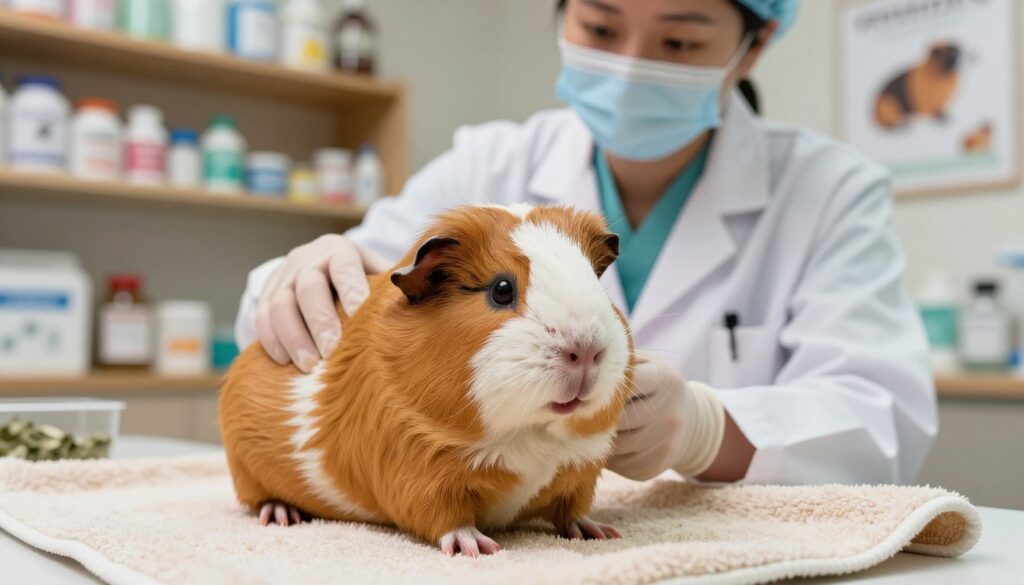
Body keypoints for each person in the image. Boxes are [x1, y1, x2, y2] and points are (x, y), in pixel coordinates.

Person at [235, 0, 937, 486]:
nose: (631, 68)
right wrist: (301, 280)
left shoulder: (829, 190)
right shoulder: (488, 163)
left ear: (754, 45)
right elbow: (341, 305)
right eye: (601, 27)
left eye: (680, 43)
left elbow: (882, 420)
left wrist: (705, 429)